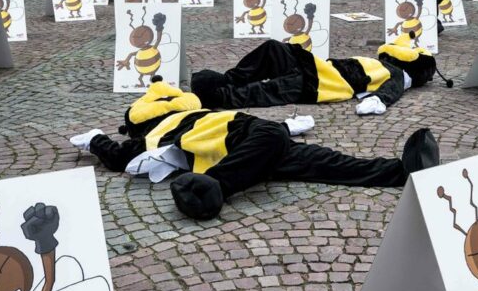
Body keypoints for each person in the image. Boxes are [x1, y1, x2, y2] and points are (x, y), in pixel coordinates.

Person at [69, 79, 440, 220]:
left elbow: (251, 126)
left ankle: (401, 170)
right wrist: (94, 141)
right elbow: (119, 157)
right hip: (248, 152)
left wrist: (286, 127)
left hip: (252, 138)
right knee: (307, 157)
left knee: (319, 159)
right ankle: (214, 187)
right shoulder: (150, 137)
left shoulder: (197, 111)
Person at [190, 37, 452, 116]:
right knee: (273, 48)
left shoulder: (397, 74)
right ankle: (229, 79)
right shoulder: (381, 62)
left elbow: (391, 91)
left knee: (271, 90)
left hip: (323, 84)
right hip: (316, 66)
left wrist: (377, 101)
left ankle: (218, 95)